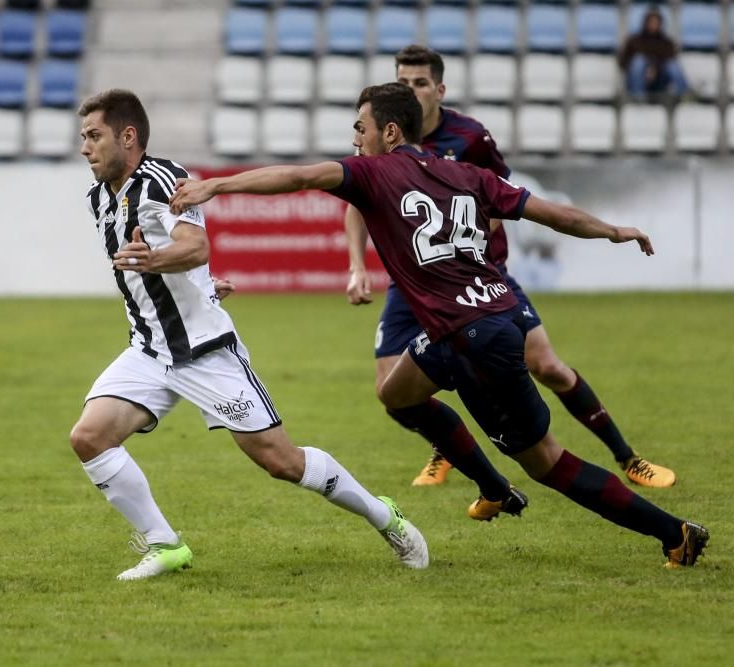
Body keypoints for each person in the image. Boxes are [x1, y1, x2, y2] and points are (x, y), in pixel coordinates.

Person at [169, 82, 709, 568]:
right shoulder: (467, 175)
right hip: (472, 326)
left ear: (390, 131)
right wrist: (612, 230)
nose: (355, 141)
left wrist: (218, 188)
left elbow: (300, 176)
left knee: (548, 463)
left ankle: (674, 533)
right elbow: (550, 212)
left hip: (477, 338)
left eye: (360, 129)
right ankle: (493, 484)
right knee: (397, 393)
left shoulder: (372, 172)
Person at [69, 88, 428, 581]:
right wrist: (198, 284)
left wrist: (165, 263)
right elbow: (170, 270)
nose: (85, 147)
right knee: (90, 437)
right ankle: (165, 545)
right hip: (150, 351)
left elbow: (194, 246)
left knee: (281, 461)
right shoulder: (99, 198)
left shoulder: (163, 181)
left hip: (205, 353)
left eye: (94, 136)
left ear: (127, 137)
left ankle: (383, 514)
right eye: (82, 137)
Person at [346, 46, 675, 491]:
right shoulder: (382, 144)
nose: (411, 90)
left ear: (439, 89)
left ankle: (628, 458)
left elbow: (500, 194)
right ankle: (459, 454)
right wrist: (356, 265)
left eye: (420, 82)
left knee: (548, 366)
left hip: (480, 282)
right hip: (414, 285)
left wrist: (467, 242)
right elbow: (357, 202)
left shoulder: (470, 138)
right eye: (403, 82)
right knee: (393, 391)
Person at [618, 6, 689, 102]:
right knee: (639, 61)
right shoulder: (634, 41)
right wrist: (643, 68)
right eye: (651, 21)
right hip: (636, 81)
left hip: (659, 81)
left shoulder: (666, 43)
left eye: (656, 22)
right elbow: (622, 62)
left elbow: (671, 62)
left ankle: (685, 95)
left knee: (672, 64)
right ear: (645, 22)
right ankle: (638, 98)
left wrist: (654, 69)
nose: (653, 24)